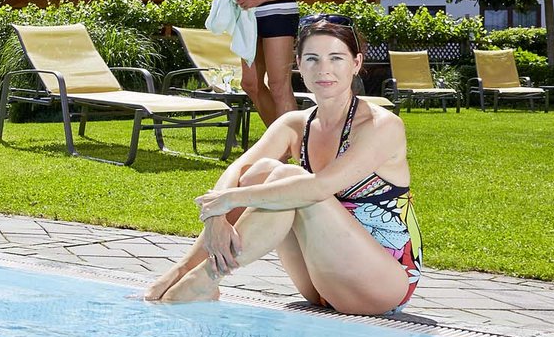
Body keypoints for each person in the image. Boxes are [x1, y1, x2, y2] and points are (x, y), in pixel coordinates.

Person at [144, 17, 422, 314]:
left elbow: (319, 188)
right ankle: (185, 270)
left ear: (356, 63)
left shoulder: (381, 125)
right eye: (312, 59)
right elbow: (237, 172)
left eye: (336, 58)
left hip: (382, 283)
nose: (323, 69)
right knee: (263, 171)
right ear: (299, 65)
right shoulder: (295, 124)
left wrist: (229, 201)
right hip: (321, 283)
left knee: (289, 178)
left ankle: (206, 278)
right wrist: (215, 218)